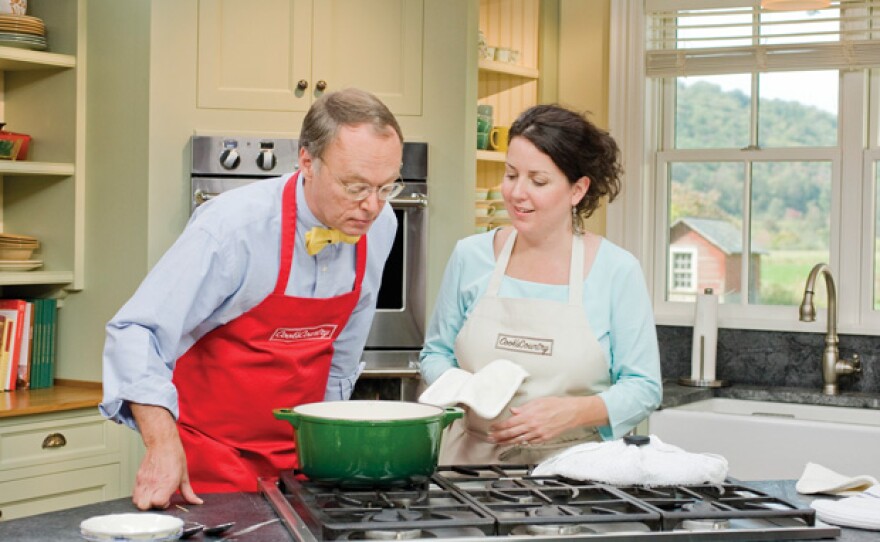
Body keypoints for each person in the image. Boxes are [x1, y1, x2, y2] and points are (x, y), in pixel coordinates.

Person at [100, 88, 405, 509]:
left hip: (305, 462)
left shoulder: (380, 224)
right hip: (212, 461)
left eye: (386, 186)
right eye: (355, 186)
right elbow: (136, 331)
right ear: (307, 163)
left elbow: (343, 352)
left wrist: (333, 447)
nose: (371, 205)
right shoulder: (232, 229)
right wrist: (161, 442)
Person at [419, 104, 662, 464]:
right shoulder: (470, 257)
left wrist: (574, 413)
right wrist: (469, 389)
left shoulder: (616, 270)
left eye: (538, 180)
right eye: (511, 174)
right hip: (467, 471)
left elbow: (644, 388)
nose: (517, 193)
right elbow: (435, 354)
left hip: (574, 473)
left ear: (577, 190)